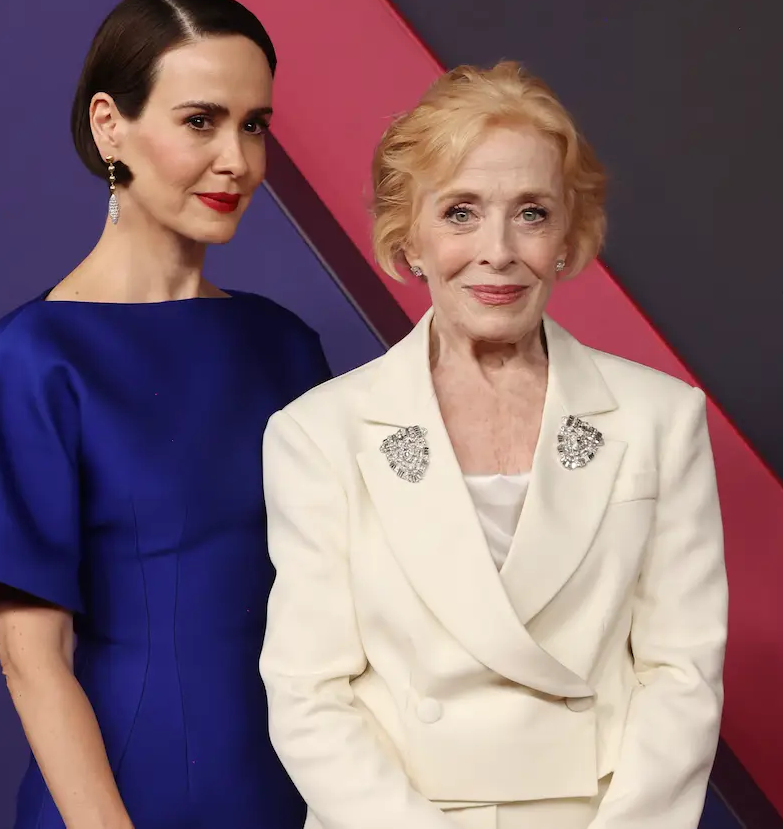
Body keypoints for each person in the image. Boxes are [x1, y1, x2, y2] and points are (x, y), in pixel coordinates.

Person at [0, 0, 329, 829]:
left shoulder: (285, 347)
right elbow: (32, 663)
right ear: (109, 126)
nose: (237, 159)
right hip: (119, 801)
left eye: (255, 124)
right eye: (201, 120)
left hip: (296, 797)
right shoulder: (34, 360)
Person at [259, 61, 728, 829]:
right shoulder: (318, 434)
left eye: (532, 213)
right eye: (461, 212)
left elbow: (683, 673)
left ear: (570, 238)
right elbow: (307, 692)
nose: (499, 251)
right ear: (407, 235)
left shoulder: (659, 418)